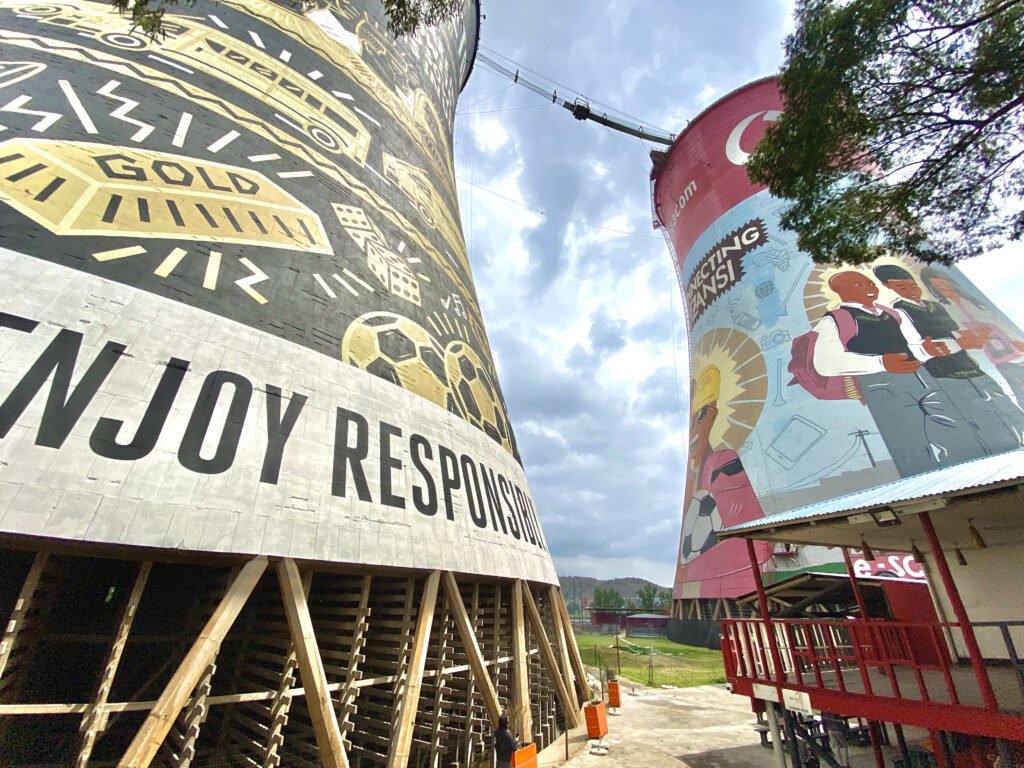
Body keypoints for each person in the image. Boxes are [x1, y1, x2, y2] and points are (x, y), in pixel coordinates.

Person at [810, 270, 962, 476]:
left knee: (953, 431)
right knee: (910, 445)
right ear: (839, 290)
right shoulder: (835, 319)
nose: (870, 288)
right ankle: (925, 484)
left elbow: (913, 344)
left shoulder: (893, 313)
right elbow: (824, 363)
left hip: (922, 379)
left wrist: (927, 350)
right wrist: (881, 362)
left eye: (871, 283)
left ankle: (960, 475)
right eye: (858, 284)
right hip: (882, 388)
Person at [873, 264, 1024, 455]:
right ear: (888, 286)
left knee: (1002, 401)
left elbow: (954, 331)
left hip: (970, 366)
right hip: (942, 372)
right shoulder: (900, 311)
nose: (911, 291)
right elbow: (916, 344)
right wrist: (950, 344)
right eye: (902, 288)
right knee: (971, 415)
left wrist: (974, 337)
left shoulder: (936, 306)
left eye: (913, 286)